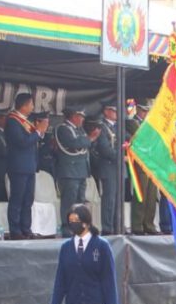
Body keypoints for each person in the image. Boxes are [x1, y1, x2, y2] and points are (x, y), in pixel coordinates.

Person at [5, 93, 48, 240]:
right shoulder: (12, 121)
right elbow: (22, 142)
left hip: (29, 166)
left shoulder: (24, 121)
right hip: (18, 166)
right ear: (23, 105)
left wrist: (40, 132)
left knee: (28, 199)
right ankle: (15, 230)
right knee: (17, 199)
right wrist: (38, 131)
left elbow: (32, 140)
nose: (32, 107)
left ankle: (26, 228)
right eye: (31, 104)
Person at [53, 109, 97, 237]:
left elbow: (84, 143)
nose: (82, 119)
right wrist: (90, 139)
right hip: (69, 172)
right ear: (73, 116)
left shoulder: (80, 130)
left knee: (80, 201)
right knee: (69, 202)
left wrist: (88, 140)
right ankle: (67, 229)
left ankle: (79, 227)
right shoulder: (63, 128)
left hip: (81, 171)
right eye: (80, 116)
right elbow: (73, 143)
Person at [128, 101, 160, 235]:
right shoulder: (132, 122)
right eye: (144, 110)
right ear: (139, 110)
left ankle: (149, 224)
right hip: (141, 164)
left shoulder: (150, 124)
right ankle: (138, 225)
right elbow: (143, 138)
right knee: (141, 195)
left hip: (151, 163)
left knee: (151, 196)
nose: (146, 113)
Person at [92, 102, 122, 234]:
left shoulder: (119, 126)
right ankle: (107, 228)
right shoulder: (102, 127)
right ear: (106, 111)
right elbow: (104, 148)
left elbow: (127, 141)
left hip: (120, 169)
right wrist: (121, 157)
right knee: (109, 200)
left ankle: (118, 227)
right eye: (113, 110)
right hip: (109, 167)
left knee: (118, 201)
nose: (116, 113)